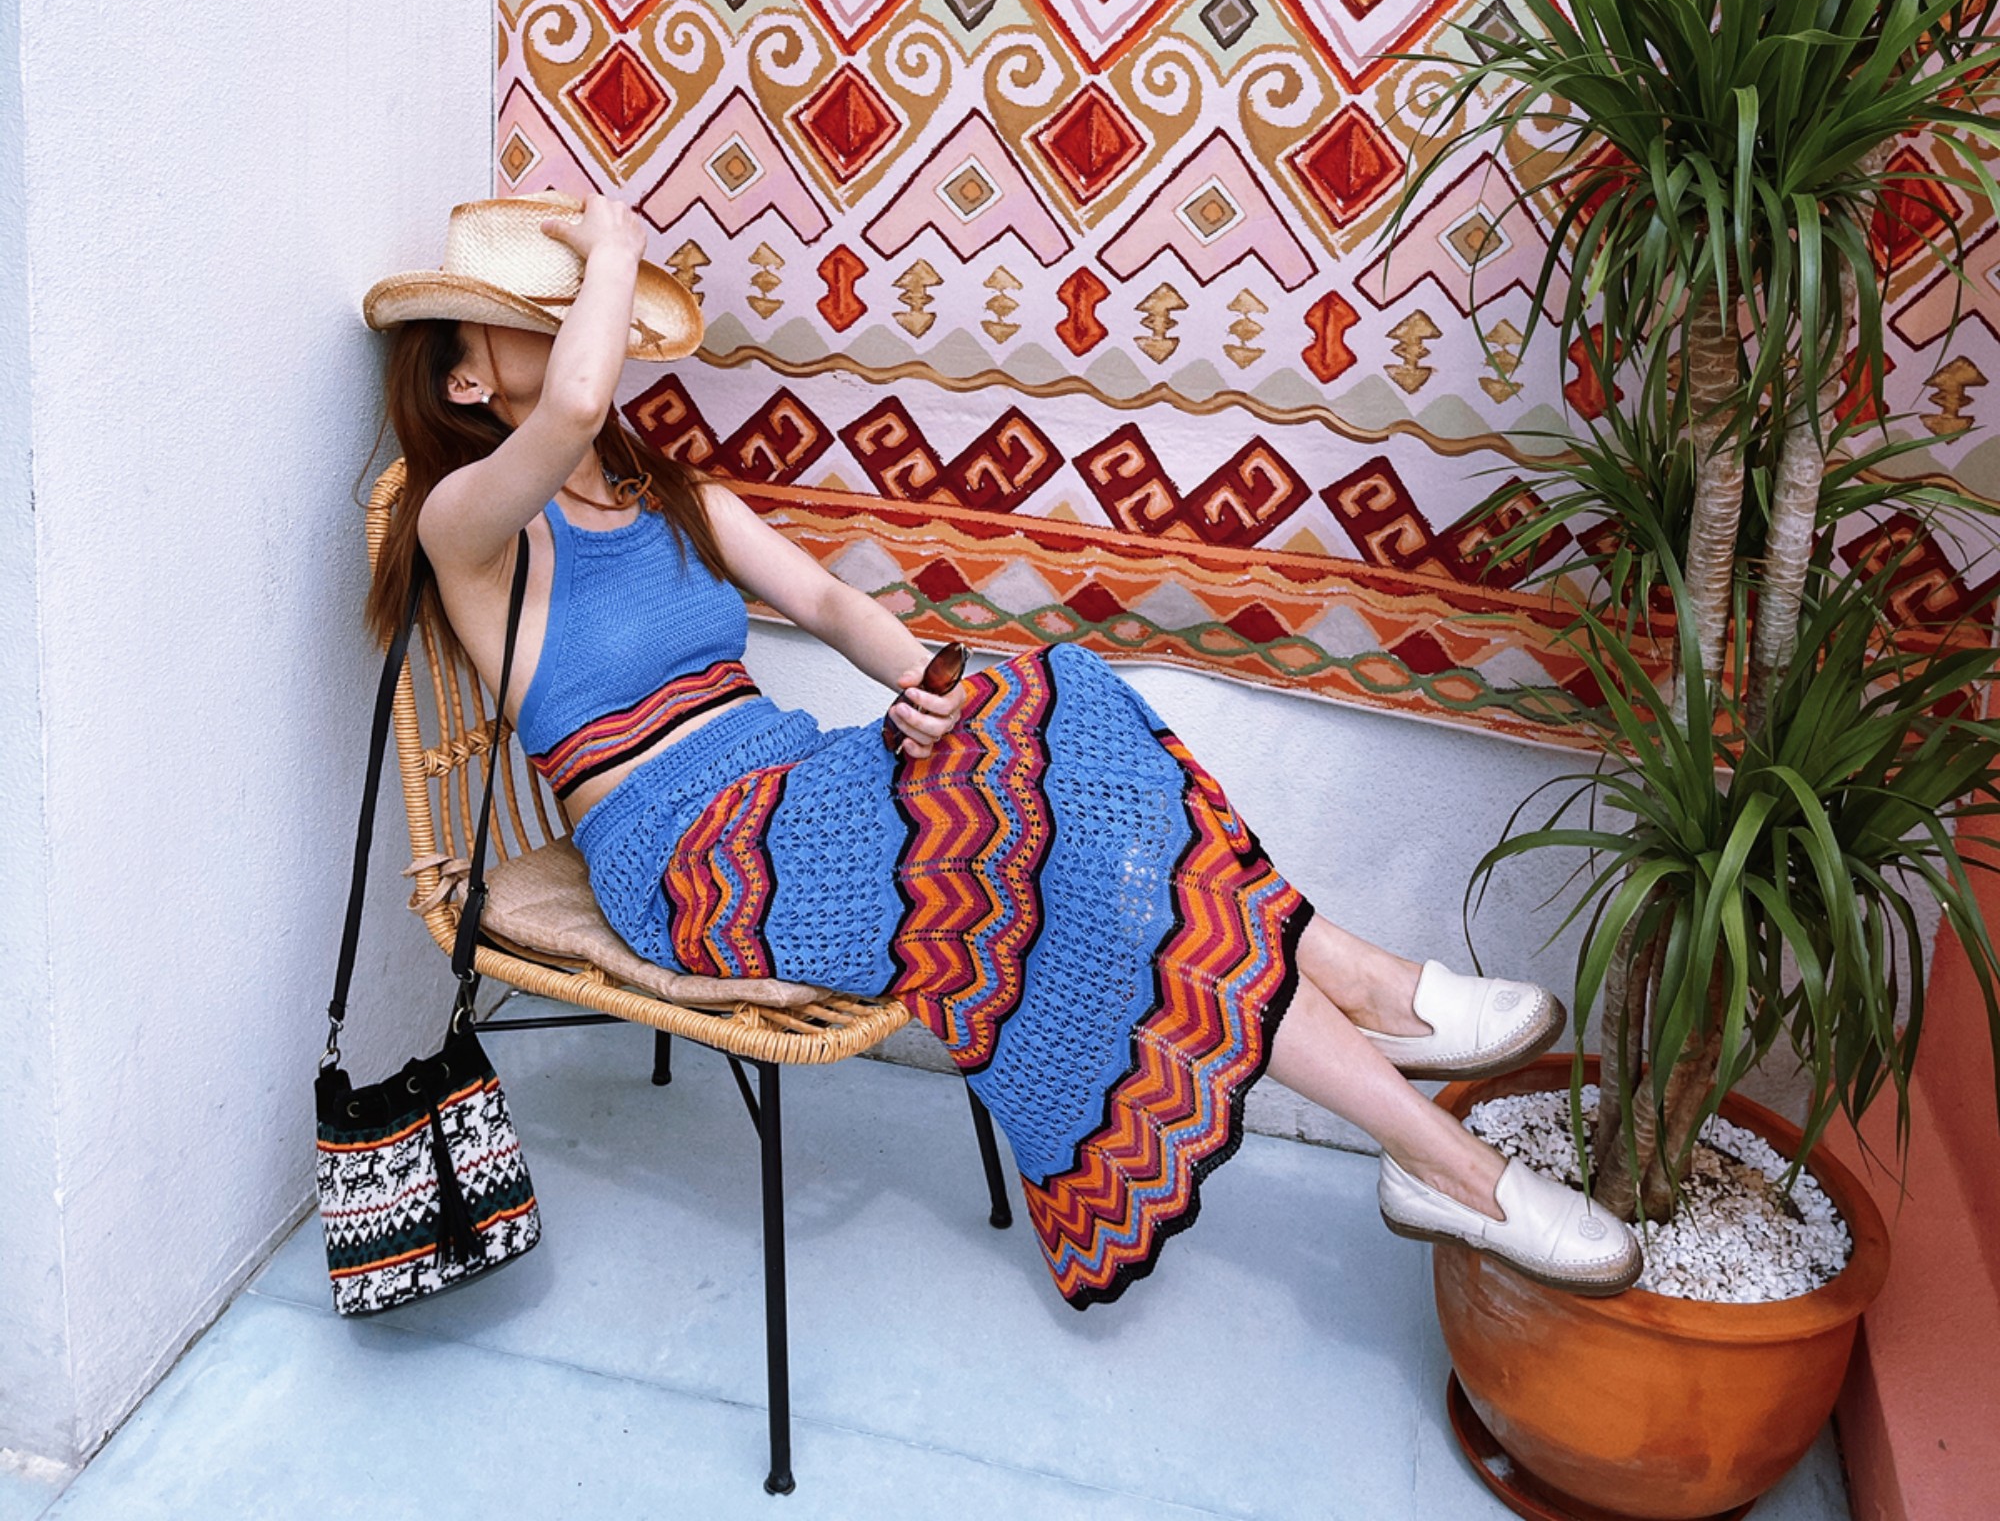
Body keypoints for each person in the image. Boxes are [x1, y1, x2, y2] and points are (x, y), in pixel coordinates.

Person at [363, 187, 1643, 1309]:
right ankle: (1406, 1077)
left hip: (792, 780)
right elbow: (578, 398)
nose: (565, 321)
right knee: (1047, 824)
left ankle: (1404, 1092)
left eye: (569, 302)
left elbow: (825, 601)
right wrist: (614, 244)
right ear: (467, 381)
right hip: (691, 860)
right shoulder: (463, 524)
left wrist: (923, 685)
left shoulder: (670, 496)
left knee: (1056, 705)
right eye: (523, 313)